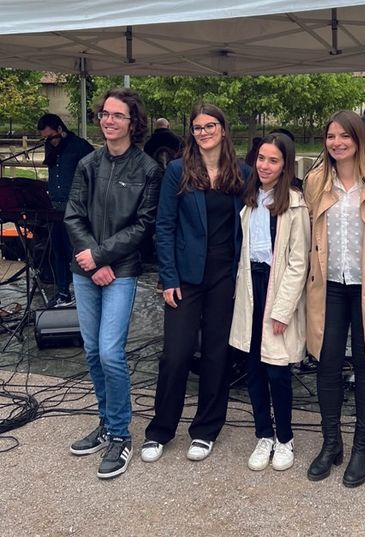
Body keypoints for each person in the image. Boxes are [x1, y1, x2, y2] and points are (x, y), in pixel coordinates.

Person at [141, 104, 251, 464]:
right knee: (176, 354)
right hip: (186, 275)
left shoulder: (242, 172)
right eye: (197, 127)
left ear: (223, 129)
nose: (203, 132)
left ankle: (206, 430)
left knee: (218, 354)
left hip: (225, 275)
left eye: (210, 125)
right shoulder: (177, 170)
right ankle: (160, 430)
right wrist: (168, 277)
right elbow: (164, 226)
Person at [64, 88, 162, 479]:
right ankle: (106, 424)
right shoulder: (87, 163)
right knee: (92, 351)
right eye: (105, 113)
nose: (108, 120)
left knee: (110, 352)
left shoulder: (148, 169)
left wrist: (102, 257)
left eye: (117, 115)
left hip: (120, 270)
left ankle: (121, 434)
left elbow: (144, 225)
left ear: (133, 122)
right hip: (86, 269)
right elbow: (73, 215)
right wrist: (91, 261)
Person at [305, 110, 365, 488]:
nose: (337, 143)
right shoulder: (315, 181)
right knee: (326, 362)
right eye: (331, 136)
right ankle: (331, 443)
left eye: (345, 136)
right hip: (329, 284)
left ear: (358, 139)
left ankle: (362, 446)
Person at [229, 133, 310, 472]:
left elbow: (298, 262)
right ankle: (263, 433)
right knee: (254, 369)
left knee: (277, 370)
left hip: (277, 289)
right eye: (261, 158)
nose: (264, 165)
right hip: (251, 286)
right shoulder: (250, 198)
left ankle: (285, 438)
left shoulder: (295, 204)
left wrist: (282, 309)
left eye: (273, 160)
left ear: (285, 165)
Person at [37, 113, 93, 308]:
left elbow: (93, 176)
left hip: (76, 209)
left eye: (51, 136)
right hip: (55, 208)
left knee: (75, 252)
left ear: (60, 129)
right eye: (45, 138)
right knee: (58, 251)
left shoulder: (80, 147)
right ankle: (63, 292)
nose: (49, 141)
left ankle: (81, 292)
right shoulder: (49, 146)